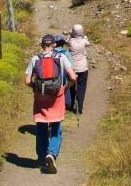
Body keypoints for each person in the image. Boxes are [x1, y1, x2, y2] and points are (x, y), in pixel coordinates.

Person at [25, 34, 77, 174]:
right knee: (56, 128)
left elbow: (27, 81)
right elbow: (73, 77)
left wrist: (36, 89)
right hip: (57, 97)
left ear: (42, 45)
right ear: (54, 44)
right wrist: (65, 88)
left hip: (40, 98)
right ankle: (51, 154)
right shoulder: (61, 58)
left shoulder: (35, 59)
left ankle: (41, 158)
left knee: (41, 128)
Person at [65, 24, 91, 114]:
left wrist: (70, 34)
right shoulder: (84, 41)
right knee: (81, 87)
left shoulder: (71, 41)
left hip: (72, 67)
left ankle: (71, 104)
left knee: (71, 87)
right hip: (83, 68)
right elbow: (88, 42)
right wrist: (83, 36)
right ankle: (79, 108)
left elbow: (66, 40)